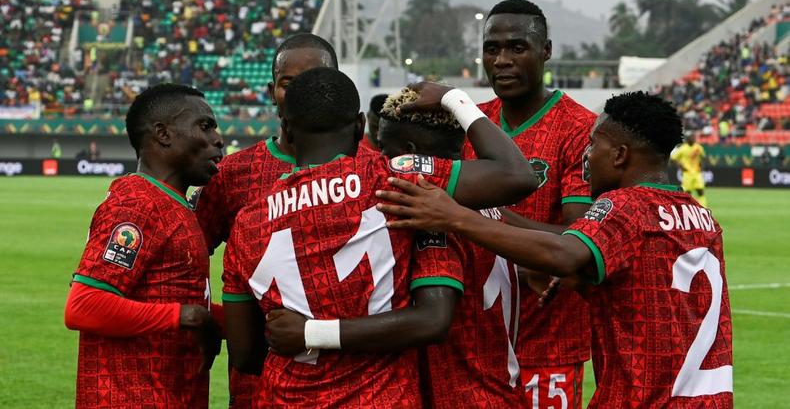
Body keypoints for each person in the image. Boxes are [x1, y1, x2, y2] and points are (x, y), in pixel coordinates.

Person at [377, 91, 733, 408]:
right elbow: (652, 285)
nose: (587, 157)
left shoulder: (625, 206)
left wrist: (453, 216)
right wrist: (582, 277)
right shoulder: (701, 216)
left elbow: (563, 252)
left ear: (621, 155)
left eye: (594, 146)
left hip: (644, 398)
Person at [221, 68, 537, 407]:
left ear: (286, 128)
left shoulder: (246, 222)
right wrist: (452, 96)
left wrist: (308, 335)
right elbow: (517, 175)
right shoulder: (394, 179)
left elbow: (245, 356)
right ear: (360, 127)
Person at [192, 32, 341, 409]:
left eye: (314, 82)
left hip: (356, 377)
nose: (301, 94)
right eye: (289, 84)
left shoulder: (372, 168)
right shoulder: (234, 173)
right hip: (259, 385)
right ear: (271, 89)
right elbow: (186, 255)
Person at [64, 83, 225, 408]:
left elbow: (180, 301)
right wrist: (186, 316)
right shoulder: (138, 204)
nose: (218, 138)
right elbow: (84, 305)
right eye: (205, 126)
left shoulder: (174, 204)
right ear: (163, 134)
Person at [469, 0, 596, 406]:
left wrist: (489, 215)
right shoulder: (472, 124)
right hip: (476, 344)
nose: (502, 60)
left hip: (549, 344)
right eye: (493, 49)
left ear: (546, 51)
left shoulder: (580, 129)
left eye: (517, 47)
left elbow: (579, 240)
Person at [671, 132, 708, 207]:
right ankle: (688, 208)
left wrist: (702, 167)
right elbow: (673, 159)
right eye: (691, 137)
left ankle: (703, 207)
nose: (693, 139)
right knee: (687, 193)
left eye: (693, 137)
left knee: (700, 191)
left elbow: (704, 158)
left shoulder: (698, 147)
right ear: (687, 139)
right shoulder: (682, 149)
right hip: (687, 173)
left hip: (697, 173)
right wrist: (680, 167)